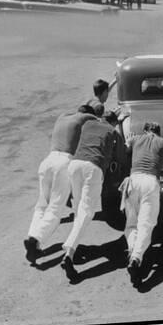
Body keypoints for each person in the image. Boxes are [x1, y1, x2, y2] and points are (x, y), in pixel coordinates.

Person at [24, 105, 97, 263]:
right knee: (56, 208)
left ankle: (32, 237)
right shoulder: (87, 119)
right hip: (63, 163)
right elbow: (99, 123)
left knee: (42, 205)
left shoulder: (63, 116)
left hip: (47, 161)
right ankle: (35, 239)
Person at [61, 111, 124, 280]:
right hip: (93, 168)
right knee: (87, 212)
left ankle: (72, 245)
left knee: (78, 208)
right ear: (114, 123)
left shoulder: (88, 124)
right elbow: (120, 156)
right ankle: (69, 251)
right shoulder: (113, 131)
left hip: (75, 165)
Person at [123, 122, 163, 287]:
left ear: (145, 131)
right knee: (146, 224)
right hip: (150, 181)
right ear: (158, 132)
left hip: (133, 180)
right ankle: (136, 257)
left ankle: (132, 250)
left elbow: (126, 153)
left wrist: (128, 143)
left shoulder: (136, 139)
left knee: (131, 224)